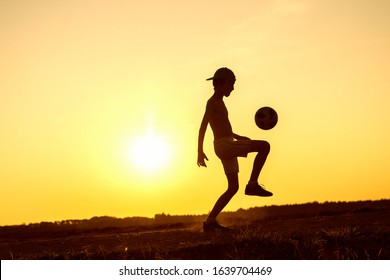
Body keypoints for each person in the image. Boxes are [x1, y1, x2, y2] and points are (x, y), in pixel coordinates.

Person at [197, 67, 273, 232]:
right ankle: (252, 185)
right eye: (231, 84)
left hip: (226, 143)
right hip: (225, 145)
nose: (233, 88)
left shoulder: (220, 101)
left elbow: (221, 126)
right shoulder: (212, 102)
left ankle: (210, 221)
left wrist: (237, 137)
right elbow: (204, 125)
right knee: (265, 146)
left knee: (233, 188)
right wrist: (199, 151)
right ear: (223, 83)